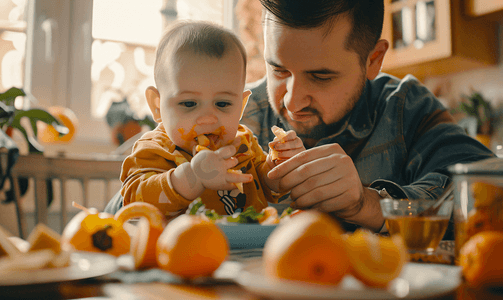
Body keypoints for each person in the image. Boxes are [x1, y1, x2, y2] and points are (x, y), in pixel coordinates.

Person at [239, 0, 495, 233]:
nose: (292, 102)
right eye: (278, 70)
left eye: (321, 76)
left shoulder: (404, 108)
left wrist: (370, 204)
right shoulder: (235, 113)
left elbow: (491, 193)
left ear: (373, 59)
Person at [118, 20, 305, 217]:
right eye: (189, 104)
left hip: (246, 244)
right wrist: (192, 178)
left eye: (222, 104)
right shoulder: (155, 149)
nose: (208, 119)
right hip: (179, 245)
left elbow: (268, 188)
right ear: (157, 105)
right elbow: (134, 202)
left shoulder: (244, 143)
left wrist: (280, 164)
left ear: (240, 107)